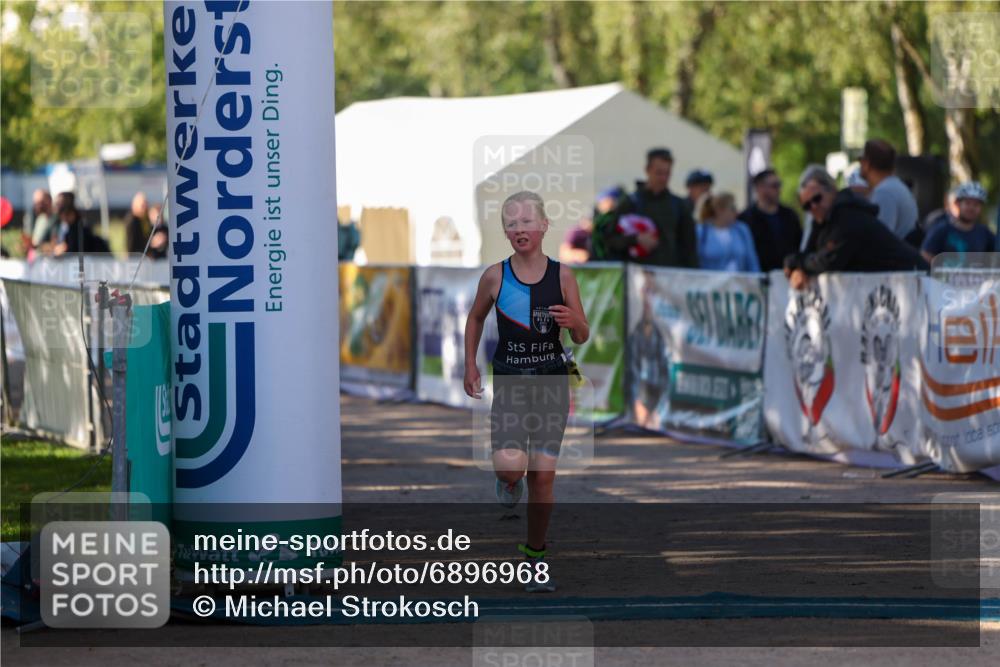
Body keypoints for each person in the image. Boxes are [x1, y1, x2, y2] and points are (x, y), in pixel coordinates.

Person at [464, 191, 589, 593]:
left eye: (526, 222)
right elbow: (475, 318)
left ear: (544, 226)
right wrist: (471, 364)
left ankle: (535, 559)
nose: (519, 229)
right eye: (511, 223)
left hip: (553, 381)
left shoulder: (563, 276)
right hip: (513, 383)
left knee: (545, 478)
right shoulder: (496, 276)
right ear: (505, 231)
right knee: (510, 468)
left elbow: (582, 334)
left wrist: (573, 322)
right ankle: (508, 482)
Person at [783, 167, 928, 290]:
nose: (813, 207)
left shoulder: (848, 216)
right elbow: (811, 254)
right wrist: (799, 268)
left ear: (832, 190)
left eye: (817, 199)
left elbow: (829, 260)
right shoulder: (823, 221)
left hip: (915, 283)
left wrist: (797, 263)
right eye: (807, 206)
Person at [596, 148, 698, 267]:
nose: (663, 178)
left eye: (667, 173)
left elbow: (689, 248)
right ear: (647, 170)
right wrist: (635, 239)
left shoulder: (678, 205)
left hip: (669, 276)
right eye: (659, 173)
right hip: (636, 276)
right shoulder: (630, 203)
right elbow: (610, 239)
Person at [739, 169, 802, 272]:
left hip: (787, 276)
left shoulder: (790, 216)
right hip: (757, 278)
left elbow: (799, 244)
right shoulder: (745, 218)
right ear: (760, 188)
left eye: (779, 185)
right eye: (774, 185)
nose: (779, 190)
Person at [859, 139, 920, 245]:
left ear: (867, 163)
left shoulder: (884, 192)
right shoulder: (894, 187)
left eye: (861, 160)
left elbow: (880, 241)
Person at [921, 181, 994, 264]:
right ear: (957, 204)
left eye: (976, 204)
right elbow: (925, 255)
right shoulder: (941, 229)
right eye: (967, 203)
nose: (971, 208)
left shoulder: (984, 232)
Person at [696, 192, 760, 273]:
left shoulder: (741, 230)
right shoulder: (702, 231)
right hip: (710, 284)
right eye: (732, 208)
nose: (736, 212)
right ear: (719, 210)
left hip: (738, 284)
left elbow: (752, 260)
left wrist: (756, 280)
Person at [51, 191, 109, 256]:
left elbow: (74, 251)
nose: (60, 216)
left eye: (60, 212)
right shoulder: (63, 226)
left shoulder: (81, 229)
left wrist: (64, 250)